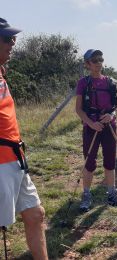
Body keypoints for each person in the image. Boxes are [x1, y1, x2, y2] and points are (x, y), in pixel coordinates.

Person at [0, 18, 48, 260]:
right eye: (7, 39)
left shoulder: (0, 71)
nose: (13, 43)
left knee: (35, 215)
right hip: (0, 163)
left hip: (16, 159)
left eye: (13, 38)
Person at [75, 49, 117, 211]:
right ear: (87, 64)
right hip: (91, 127)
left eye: (100, 59)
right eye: (94, 60)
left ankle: (112, 194)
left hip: (109, 126)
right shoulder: (83, 83)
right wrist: (91, 124)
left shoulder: (111, 82)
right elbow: (79, 110)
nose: (99, 63)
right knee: (89, 162)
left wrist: (112, 115)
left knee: (110, 160)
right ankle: (86, 195)